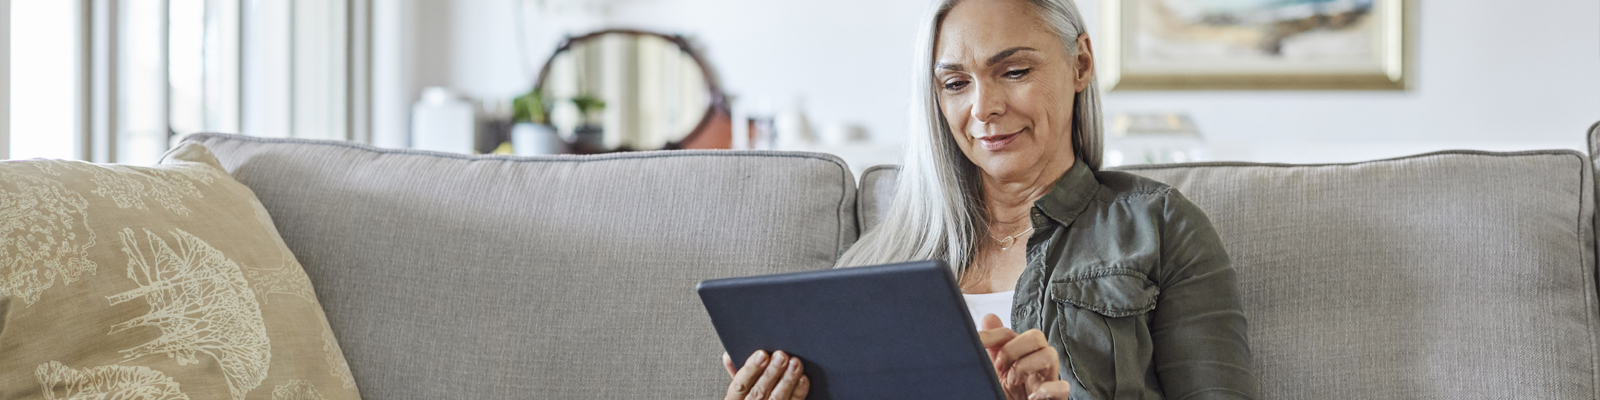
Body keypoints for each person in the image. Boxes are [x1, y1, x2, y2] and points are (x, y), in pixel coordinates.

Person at [722, 0, 1259, 398]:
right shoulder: (873, 265)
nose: (984, 108)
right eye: (956, 83)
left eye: (1015, 71)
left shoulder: (1157, 226)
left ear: (1080, 64)